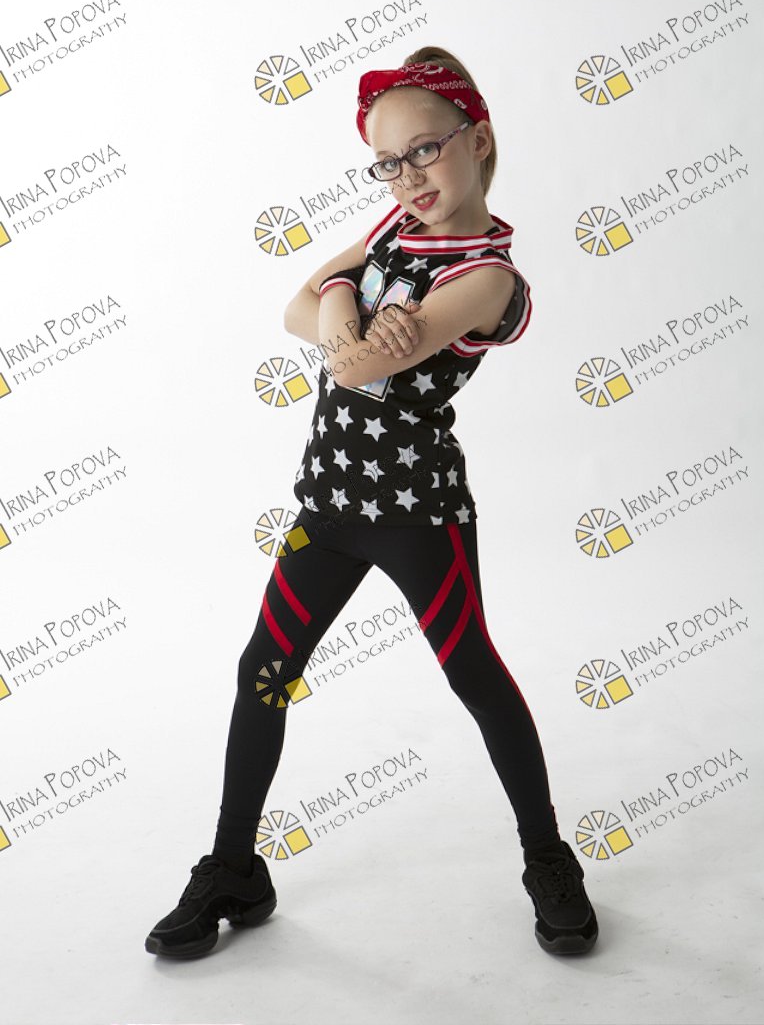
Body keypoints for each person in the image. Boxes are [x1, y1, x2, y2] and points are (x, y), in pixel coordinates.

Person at [145, 47, 599, 960]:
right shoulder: (396, 224)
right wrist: (344, 297)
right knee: (262, 670)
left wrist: (339, 306)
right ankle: (234, 866)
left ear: (478, 141)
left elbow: (349, 364)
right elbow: (298, 307)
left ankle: (549, 857)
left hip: (418, 513)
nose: (410, 176)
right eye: (389, 162)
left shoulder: (487, 277)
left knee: (476, 677)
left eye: (426, 150)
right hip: (327, 505)